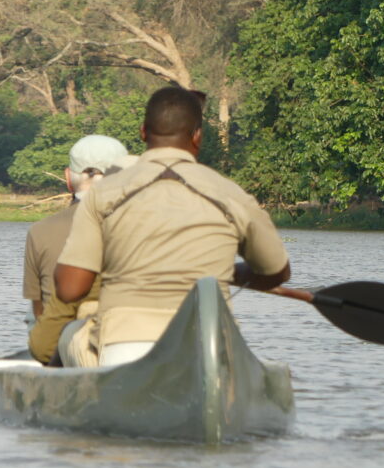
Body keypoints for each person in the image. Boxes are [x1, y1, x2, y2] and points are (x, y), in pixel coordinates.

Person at [53, 87, 291, 367]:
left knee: (69, 333)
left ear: (143, 132)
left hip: (124, 344)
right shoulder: (232, 194)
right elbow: (276, 272)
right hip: (210, 344)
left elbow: (69, 289)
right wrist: (225, 274)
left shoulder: (102, 195)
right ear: (197, 136)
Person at [22, 134, 129, 320]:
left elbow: (38, 310)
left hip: (58, 339)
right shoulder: (146, 227)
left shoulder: (39, 231)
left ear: (68, 178)